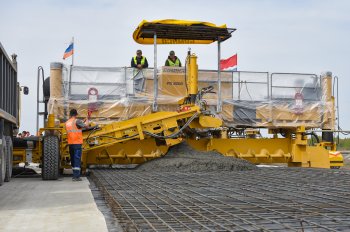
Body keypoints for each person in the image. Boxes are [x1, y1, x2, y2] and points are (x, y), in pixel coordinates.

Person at [65, 109, 89, 181]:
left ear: (70, 114)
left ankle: (74, 174)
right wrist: (87, 120)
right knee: (77, 159)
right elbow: (86, 126)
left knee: (73, 159)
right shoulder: (77, 121)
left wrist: (82, 122)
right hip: (77, 143)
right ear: (76, 114)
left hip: (70, 143)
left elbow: (75, 128)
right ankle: (76, 177)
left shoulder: (67, 122)